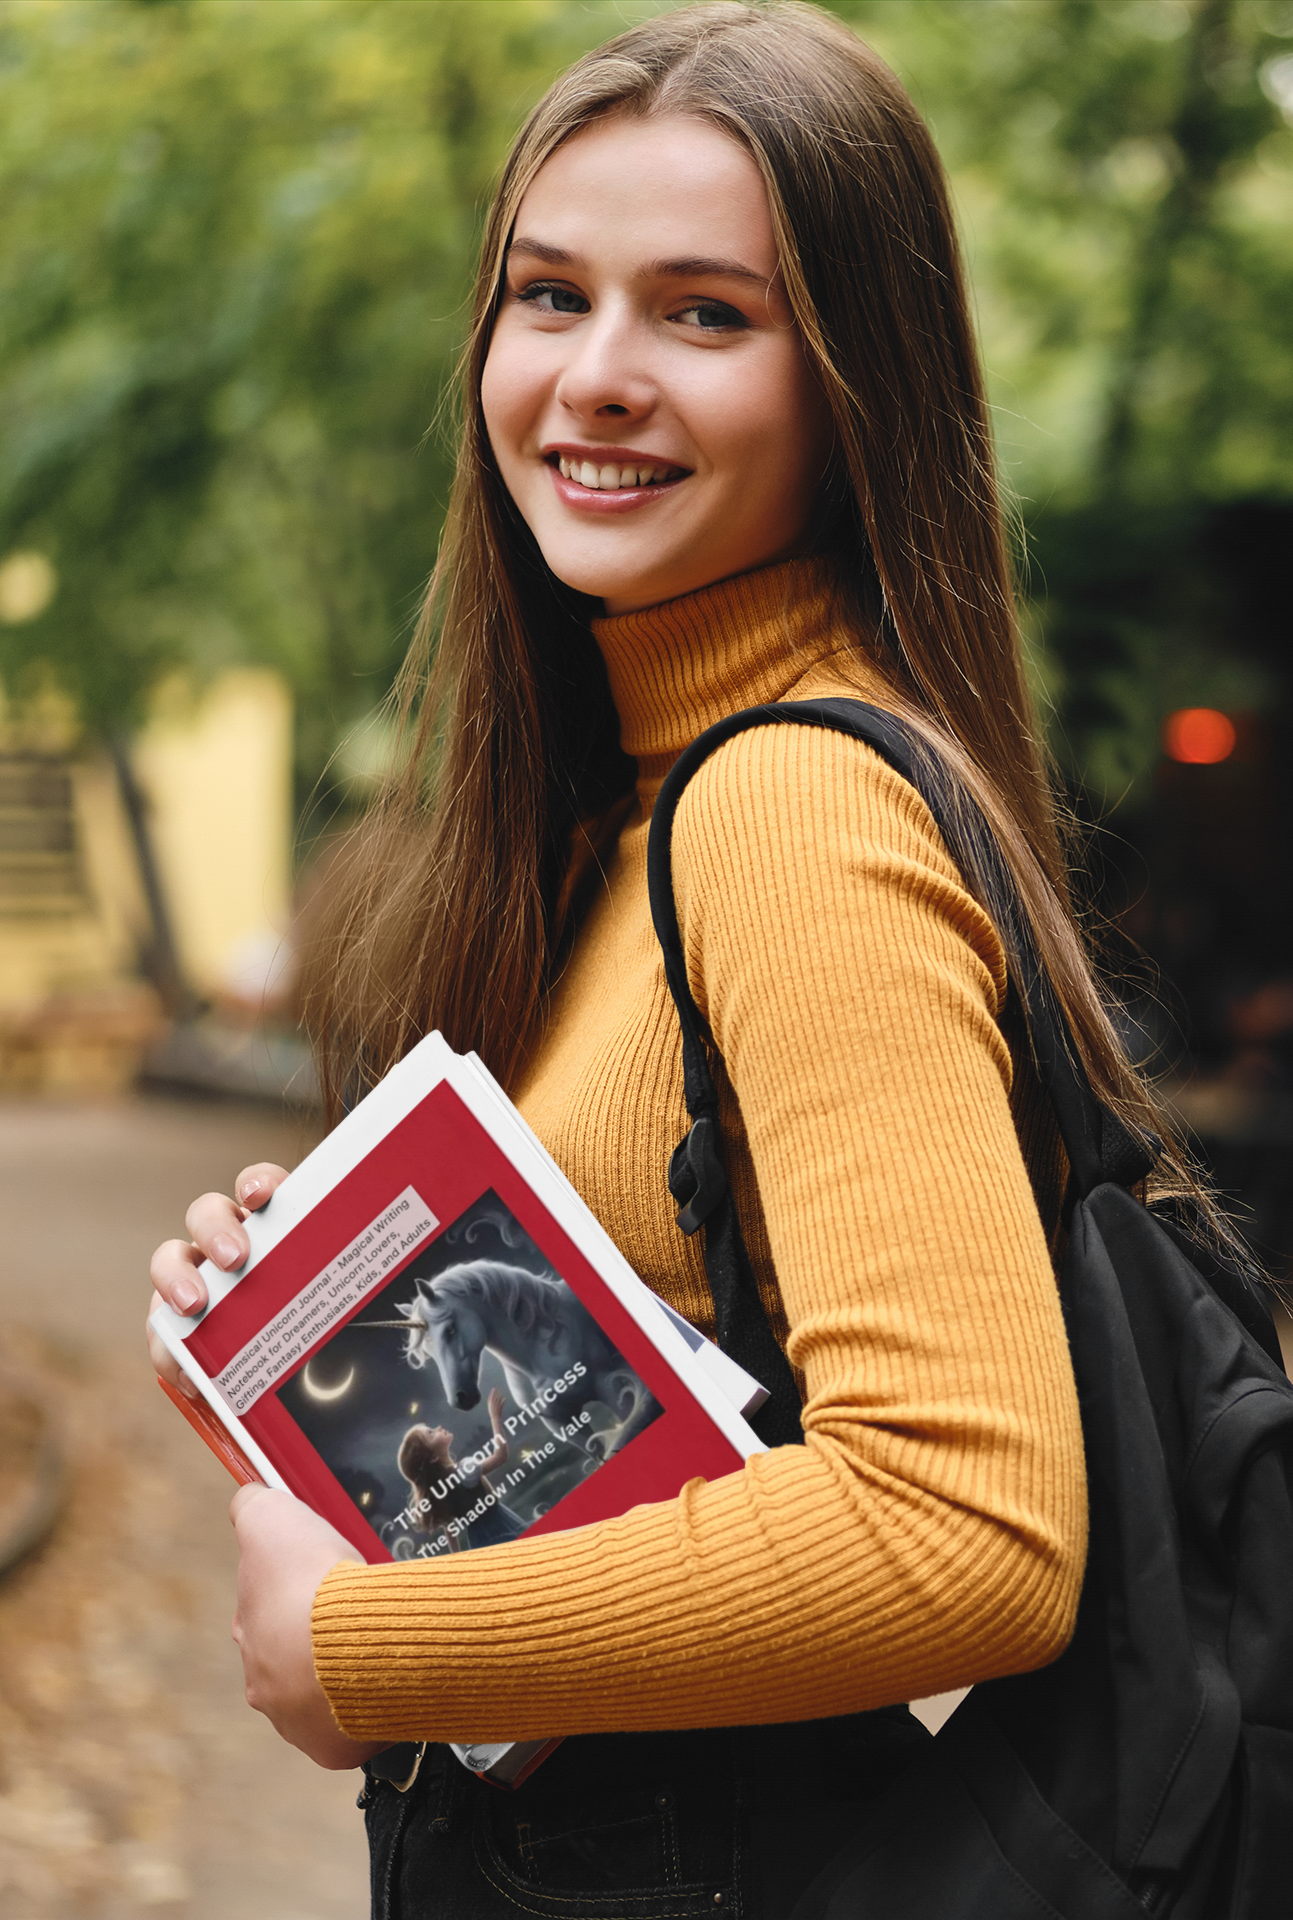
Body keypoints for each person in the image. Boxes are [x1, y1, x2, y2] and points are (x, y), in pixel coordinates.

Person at [146, 6, 1219, 1912]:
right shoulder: (613, 815)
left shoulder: (789, 813)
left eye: (705, 315)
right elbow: (669, 1408)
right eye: (550, 295)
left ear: (858, 382)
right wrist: (311, 1346)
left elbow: (965, 1528)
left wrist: (365, 1652)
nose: (597, 377)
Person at [389, 1387, 525, 1556]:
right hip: (501, 1526)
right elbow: (500, 1456)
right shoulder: (465, 1471)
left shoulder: (441, 1491)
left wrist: (457, 1555)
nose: (438, 1427)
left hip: (478, 1541)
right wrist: (495, 1417)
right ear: (433, 1458)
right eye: (431, 1433)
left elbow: (450, 1529)